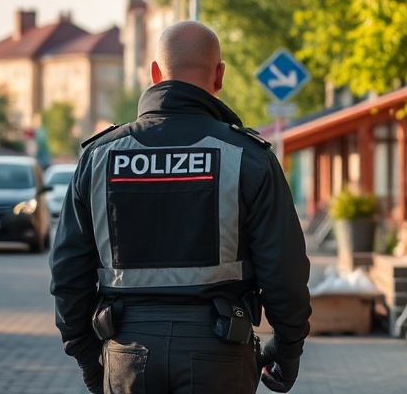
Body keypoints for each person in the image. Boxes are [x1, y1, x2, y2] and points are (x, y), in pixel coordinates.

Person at [50, 21, 311, 394]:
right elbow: (283, 268)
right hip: (220, 354)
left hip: (126, 350)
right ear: (219, 76)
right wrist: (287, 349)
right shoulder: (246, 157)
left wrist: (89, 358)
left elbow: (67, 272)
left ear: (154, 74)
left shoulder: (100, 158)